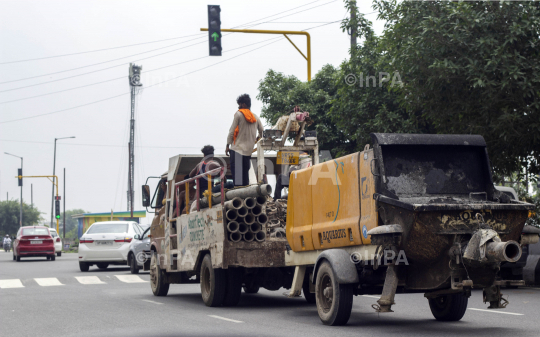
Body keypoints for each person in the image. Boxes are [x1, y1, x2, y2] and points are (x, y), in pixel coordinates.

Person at [226, 94, 264, 187]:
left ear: (243, 104)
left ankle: (238, 200)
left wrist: (227, 145)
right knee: (245, 180)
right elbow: (262, 131)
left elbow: (231, 131)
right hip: (248, 153)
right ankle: (245, 199)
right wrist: (257, 137)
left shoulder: (238, 114)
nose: (238, 107)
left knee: (238, 181)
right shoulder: (256, 117)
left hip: (237, 150)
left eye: (239, 104)